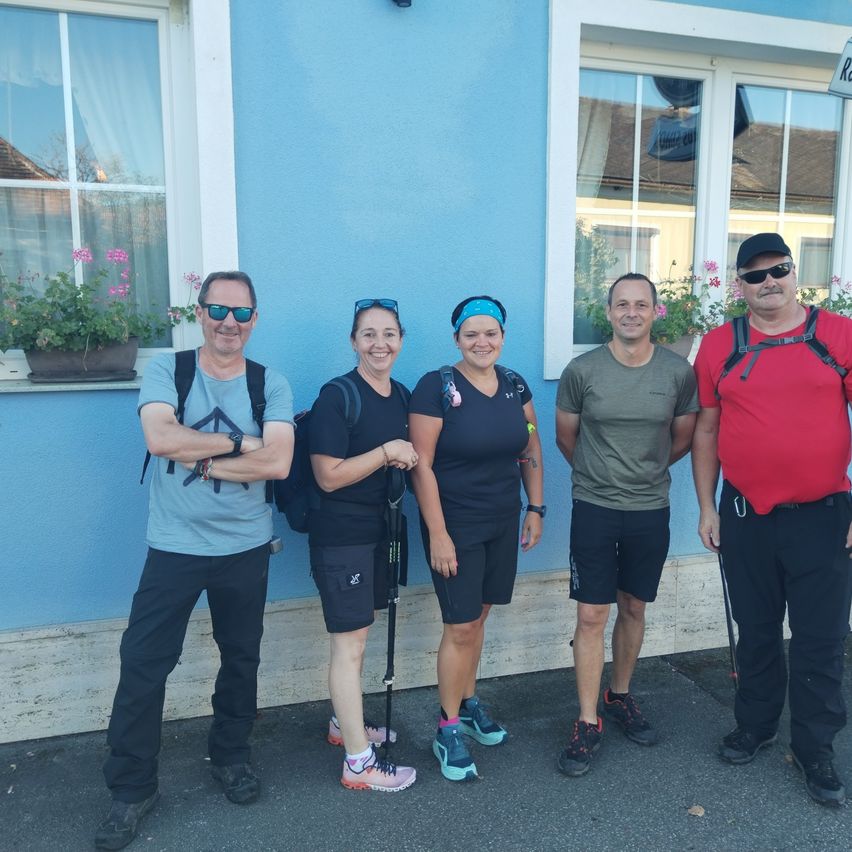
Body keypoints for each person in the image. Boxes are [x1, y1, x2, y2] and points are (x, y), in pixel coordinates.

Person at [95, 271, 295, 850]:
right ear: (199, 312)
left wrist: (201, 459)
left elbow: (279, 463)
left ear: (254, 320)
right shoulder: (168, 370)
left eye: (241, 313)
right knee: (143, 664)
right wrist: (240, 444)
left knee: (241, 658)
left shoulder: (270, 382)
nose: (228, 322)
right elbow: (160, 439)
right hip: (174, 546)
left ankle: (231, 757)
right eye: (217, 309)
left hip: (245, 547)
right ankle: (132, 789)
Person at [692, 232, 852, 808]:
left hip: (825, 515)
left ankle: (815, 748)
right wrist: (707, 506)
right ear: (740, 284)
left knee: (820, 638)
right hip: (744, 513)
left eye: (778, 270)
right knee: (756, 629)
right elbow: (706, 429)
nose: (768, 283)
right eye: (755, 275)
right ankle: (756, 726)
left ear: (795, 272)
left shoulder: (838, 334)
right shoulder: (718, 344)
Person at [555, 272, 698, 777]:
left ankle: (620, 696)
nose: (631, 312)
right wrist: (602, 478)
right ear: (610, 311)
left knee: (633, 605)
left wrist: (645, 475)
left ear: (654, 311)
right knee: (591, 616)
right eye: (622, 304)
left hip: (649, 508)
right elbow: (566, 439)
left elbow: (682, 438)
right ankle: (588, 720)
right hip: (594, 506)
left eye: (641, 304)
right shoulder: (583, 370)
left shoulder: (677, 372)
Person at [409, 295, 544, 782]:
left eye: (490, 333)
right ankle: (446, 727)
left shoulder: (515, 383)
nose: (481, 342)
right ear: (457, 340)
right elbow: (420, 464)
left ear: (503, 337)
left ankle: (467, 703)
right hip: (455, 524)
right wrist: (438, 534)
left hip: (504, 520)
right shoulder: (436, 388)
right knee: (460, 625)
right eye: (471, 334)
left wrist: (537, 507)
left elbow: (530, 446)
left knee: (480, 616)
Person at [308, 298, 417, 792]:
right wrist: (386, 452)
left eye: (389, 334)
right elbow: (328, 477)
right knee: (349, 645)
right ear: (353, 341)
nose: (380, 343)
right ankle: (358, 762)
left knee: (361, 635)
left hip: (381, 533)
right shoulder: (338, 396)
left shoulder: (401, 396)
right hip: (342, 537)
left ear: (400, 340)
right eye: (369, 334)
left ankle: (342, 724)